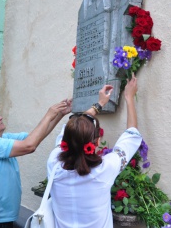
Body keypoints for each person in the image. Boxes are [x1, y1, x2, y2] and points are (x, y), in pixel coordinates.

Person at [47, 73, 142, 228]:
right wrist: (129, 97)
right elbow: (131, 134)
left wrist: (97, 106)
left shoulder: (54, 162)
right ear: (97, 141)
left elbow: (73, 129)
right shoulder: (105, 168)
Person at [0, 99, 72, 228]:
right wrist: (49, 114)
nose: (0, 117)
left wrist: (60, 114)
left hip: (0, 218)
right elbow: (29, 146)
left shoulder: (1, 139)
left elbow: (35, 137)